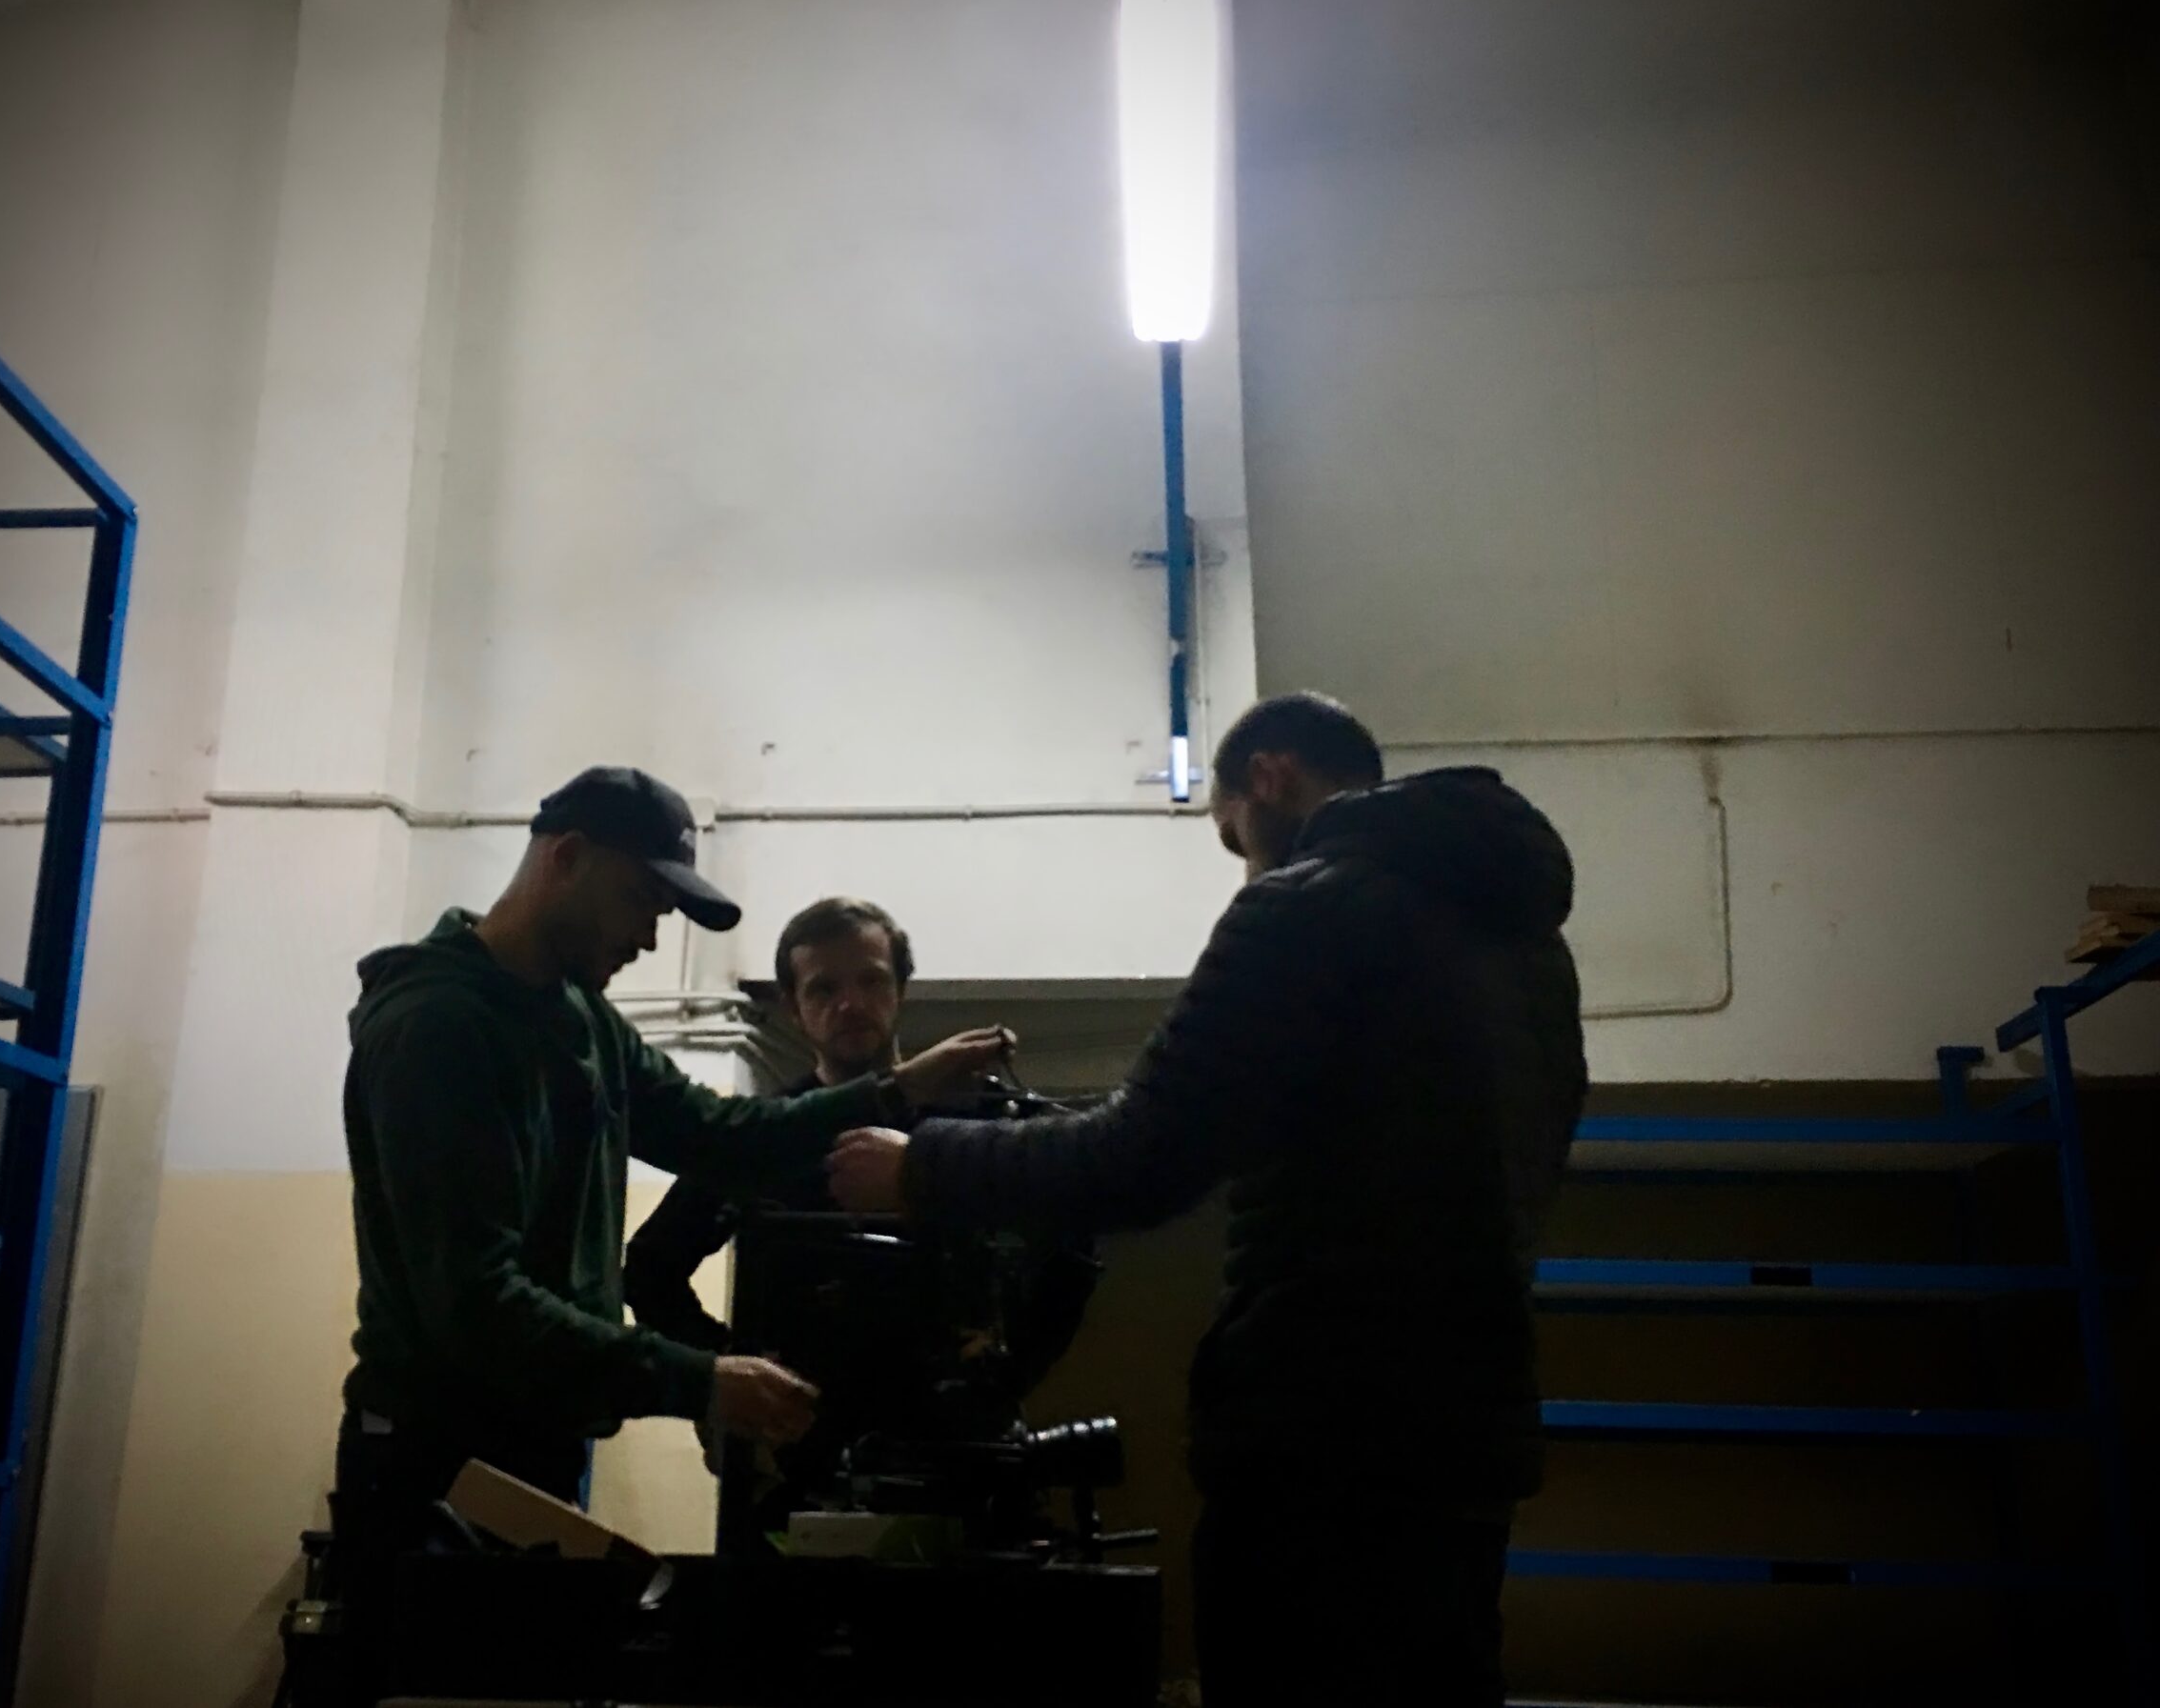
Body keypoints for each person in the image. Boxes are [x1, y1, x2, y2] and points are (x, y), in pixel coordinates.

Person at [828, 694, 1586, 1707]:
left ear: (1268, 778)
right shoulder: (1527, 950)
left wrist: (924, 1166)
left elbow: (1141, 1155)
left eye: (1233, 836)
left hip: (1320, 1446)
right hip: (1471, 1434)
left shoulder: (1305, 904)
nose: (1243, 866)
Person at [333, 767, 1007, 1706]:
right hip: (436, 1460)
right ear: (566, 858)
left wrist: (896, 1091)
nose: (651, 937)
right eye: (641, 900)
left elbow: (721, 1135)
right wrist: (699, 1377)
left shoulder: (581, 1018)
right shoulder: (438, 1027)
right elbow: (475, 1305)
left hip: (539, 1445)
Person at [622, 896, 1098, 1546]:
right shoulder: (763, 1139)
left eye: (871, 980)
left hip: (961, 1452)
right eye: (824, 988)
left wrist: (1008, 1372)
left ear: (901, 988)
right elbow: (650, 1269)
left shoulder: (977, 1123)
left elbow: (1071, 1245)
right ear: (793, 1008)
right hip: (800, 1456)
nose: (850, 1003)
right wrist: (726, 1370)